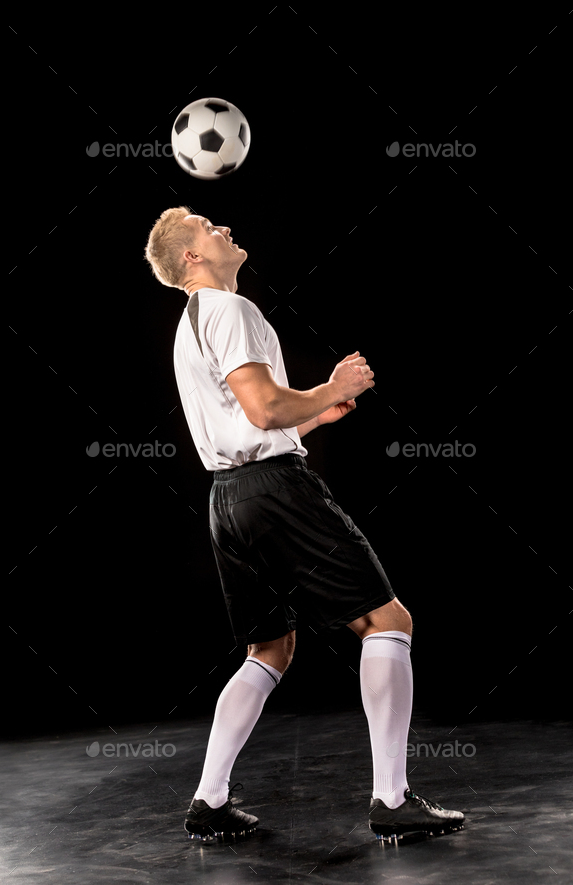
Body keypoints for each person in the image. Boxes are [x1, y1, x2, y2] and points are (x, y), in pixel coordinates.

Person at [143, 206, 466, 844]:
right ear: (191, 258)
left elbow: (245, 420)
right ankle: (392, 799)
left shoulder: (190, 325)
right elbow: (264, 410)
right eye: (211, 228)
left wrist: (316, 417)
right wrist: (331, 384)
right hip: (272, 491)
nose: (227, 230)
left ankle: (208, 802)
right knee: (388, 621)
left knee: (269, 648)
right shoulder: (229, 311)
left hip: (227, 502)